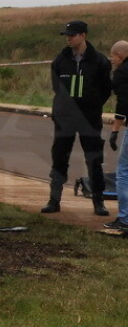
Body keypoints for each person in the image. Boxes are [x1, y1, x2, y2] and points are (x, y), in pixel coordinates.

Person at [41, 20, 112, 216]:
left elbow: (106, 89)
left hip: (89, 119)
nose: (69, 38)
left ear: (84, 35)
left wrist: (92, 105)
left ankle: (99, 201)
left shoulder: (99, 61)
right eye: (67, 35)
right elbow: (57, 87)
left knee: (94, 159)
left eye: (72, 35)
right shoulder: (60, 60)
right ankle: (54, 200)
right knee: (60, 156)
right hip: (65, 119)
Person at [105, 40, 128, 231]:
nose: (112, 60)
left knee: (123, 172)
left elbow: (123, 104)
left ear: (119, 55)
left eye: (113, 56)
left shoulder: (121, 72)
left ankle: (124, 218)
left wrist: (115, 131)